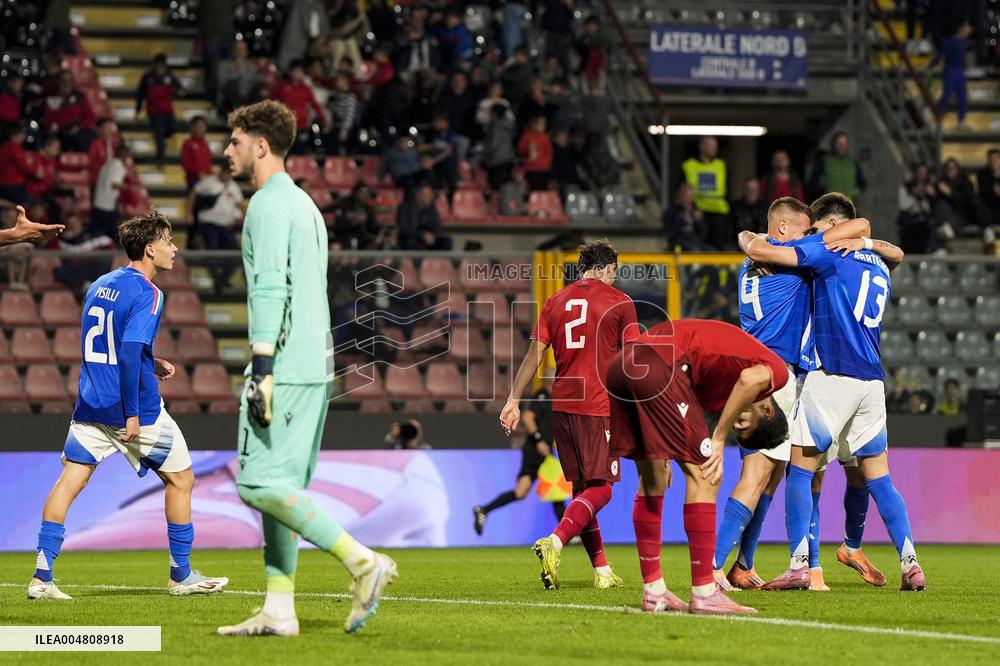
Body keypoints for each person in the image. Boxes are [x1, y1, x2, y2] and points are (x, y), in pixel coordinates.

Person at [219, 100, 396, 637]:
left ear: (261, 146)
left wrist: (263, 365)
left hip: (286, 363)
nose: (227, 150)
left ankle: (363, 562)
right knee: (281, 489)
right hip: (315, 363)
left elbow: (272, 288)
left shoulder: (268, 205)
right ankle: (279, 609)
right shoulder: (305, 206)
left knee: (254, 485)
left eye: (235, 141)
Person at [26, 210, 229, 601]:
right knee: (182, 480)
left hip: (90, 404)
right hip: (135, 410)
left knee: (70, 481)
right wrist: (133, 413)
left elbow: (110, 343)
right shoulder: (150, 293)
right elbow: (130, 348)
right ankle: (180, 575)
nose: (174, 249)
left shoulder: (101, 284)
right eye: (169, 242)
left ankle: (41, 577)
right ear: (150, 250)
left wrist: (153, 362)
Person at [740, 194, 925, 592]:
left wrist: (749, 240)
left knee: (800, 471)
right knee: (879, 478)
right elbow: (898, 251)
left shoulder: (826, 252)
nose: (812, 236)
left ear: (830, 227)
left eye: (815, 230)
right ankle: (910, 562)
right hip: (872, 381)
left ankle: (799, 565)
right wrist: (870, 240)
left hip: (831, 373)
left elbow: (763, 250)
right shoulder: (879, 264)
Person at [608, 319, 794, 615]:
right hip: (658, 363)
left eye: (736, 428)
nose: (734, 422)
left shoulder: (718, 387)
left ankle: (654, 591)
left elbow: (679, 399)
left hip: (623, 364)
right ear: (767, 409)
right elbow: (749, 380)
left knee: (652, 478)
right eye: (742, 422)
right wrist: (719, 437)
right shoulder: (777, 374)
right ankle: (705, 592)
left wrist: (665, 446)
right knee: (705, 475)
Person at [500, 240, 637, 591]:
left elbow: (534, 355)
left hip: (563, 404)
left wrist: (513, 399)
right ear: (607, 268)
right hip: (599, 404)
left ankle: (603, 571)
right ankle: (556, 541)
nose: (615, 279)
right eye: (615, 272)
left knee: (582, 489)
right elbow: (634, 359)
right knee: (603, 488)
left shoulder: (555, 301)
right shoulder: (620, 303)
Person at [474, 378, 566, 535]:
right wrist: (539, 440)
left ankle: (484, 509)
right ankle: (569, 534)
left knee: (521, 492)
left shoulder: (553, 398)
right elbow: (527, 417)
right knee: (556, 489)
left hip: (542, 452)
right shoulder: (543, 394)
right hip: (536, 451)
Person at [681, 136, 730, 249]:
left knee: (717, 248)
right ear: (702, 147)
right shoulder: (689, 165)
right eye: (711, 146)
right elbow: (682, 191)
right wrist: (692, 208)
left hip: (718, 213)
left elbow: (728, 189)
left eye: (715, 146)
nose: (714, 149)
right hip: (697, 212)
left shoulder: (721, 165)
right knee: (697, 246)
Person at [136, 54, 183, 166]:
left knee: (173, 129)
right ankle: (161, 157)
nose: (160, 69)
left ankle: (160, 141)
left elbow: (180, 88)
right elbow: (140, 94)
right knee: (159, 132)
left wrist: (177, 92)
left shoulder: (170, 76)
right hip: (154, 111)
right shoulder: (147, 77)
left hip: (167, 110)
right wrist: (138, 109)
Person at [187, 162, 243, 250]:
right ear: (221, 171)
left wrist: (239, 219)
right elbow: (193, 194)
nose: (227, 175)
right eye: (226, 172)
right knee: (212, 247)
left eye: (229, 173)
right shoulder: (208, 181)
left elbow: (239, 204)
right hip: (209, 223)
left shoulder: (234, 187)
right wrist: (189, 213)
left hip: (227, 225)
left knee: (231, 249)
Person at [42, 69, 95, 152]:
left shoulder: (80, 97)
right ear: (59, 81)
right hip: (59, 133)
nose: (67, 82)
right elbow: (47, 118)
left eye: (70, 80)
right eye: (64, 80)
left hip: (77, 132)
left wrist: (79, 127)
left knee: (83, 139)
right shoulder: (51, 97)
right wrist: (51, 128)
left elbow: (90, 117)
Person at [808, 132, 866, 201]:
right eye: (839, 142)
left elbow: (862, 183)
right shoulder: (825, 160)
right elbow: (813, 182)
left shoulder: (852, 162)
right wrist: (825, 194)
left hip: (848, 203)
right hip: (830, 203)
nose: (841, 145)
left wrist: (853, 193)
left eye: (844, 142)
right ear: (834, 144)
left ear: (847, 145)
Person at [934, 23, 971, 128]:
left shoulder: (964, 43)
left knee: (963, 96)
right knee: (947, 93)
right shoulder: (951, 41)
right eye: (967, 29)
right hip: (950, 70)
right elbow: (941, 54)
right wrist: (931, 66)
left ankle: (961, 120)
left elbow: (962, 59)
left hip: (959, 71)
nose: (968, 32)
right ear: (961, 30)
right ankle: (936, 114)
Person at [394, 183, 451, 250]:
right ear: (418, 195)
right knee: (411, 242)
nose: (431, 197)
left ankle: (444, 260)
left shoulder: (432, 209)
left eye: (431, 194)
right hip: (412, 238)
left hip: (429, 238)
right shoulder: (405, 207)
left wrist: (433, 235)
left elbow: (438, 226)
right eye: (427, 195)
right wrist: (422, 235)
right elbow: (404, 228)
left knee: (446, 241)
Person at [0, 125, 45, 206]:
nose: (23, 138)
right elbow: (24, 166)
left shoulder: (4, 146)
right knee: (26, 205)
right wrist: (36, 172)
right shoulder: (14, 148)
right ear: (14, 135)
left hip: (4, 183)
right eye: (21, 135)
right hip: (13, 184)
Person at [91, 144, 129, 239]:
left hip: (98, 201)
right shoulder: (119, 166)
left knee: (98, 229)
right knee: (108, 231)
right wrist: (125, 186)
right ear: (125, 156)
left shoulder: (108, 163)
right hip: (107, 205)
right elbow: (114, 184)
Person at [217, 39, 263, 114]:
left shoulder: (252, 67)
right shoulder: (223, 65)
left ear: (246, 52)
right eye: (237, 49)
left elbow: (257, 83)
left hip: (248, 101)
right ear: (233, 51)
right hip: (229, 102)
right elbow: (222, 84)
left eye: (242, 49)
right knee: (232, 85)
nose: (240, 52)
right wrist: (238, 71)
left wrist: (243, 72)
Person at [663, 183, 713, 252]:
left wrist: (699, 221)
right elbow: (670, 232)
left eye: (690, 196)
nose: (688, 199)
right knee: (695, 251)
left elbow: (704, 233)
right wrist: (681, 220)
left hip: (696, 241)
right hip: (679, 242)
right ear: (680, 196)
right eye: (686, 196)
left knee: (714, 253)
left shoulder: (696, 210)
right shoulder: (671, 211)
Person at [482, 103, 517, 190]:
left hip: (497, 160)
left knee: (497, 189)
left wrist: (482, 152)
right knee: (506, 186)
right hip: (508, 158)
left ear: (494, 113)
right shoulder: (509, 125)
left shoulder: (496, 127)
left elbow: (493, 144)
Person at [518, 115, 553, 191]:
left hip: (542, 169)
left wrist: (546, 164)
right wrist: (528, 149)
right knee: (533, 189)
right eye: (541, 123)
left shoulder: (545, 137)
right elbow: (520, 150)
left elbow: (549, 152)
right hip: (530, 169)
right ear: (533, 124)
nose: (543, 126)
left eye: (544, 124)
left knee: (542, 189)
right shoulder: (526, 136)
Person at [180, 116, 214, 190]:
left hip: (206, 180)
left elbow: (208, 162)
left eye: (202, 126)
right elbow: (185, 163)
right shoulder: (188, 143)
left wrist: (210, 174)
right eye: (198, 126)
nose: (200, 129)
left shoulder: (205, 144)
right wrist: (197, 173)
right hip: (193, 180)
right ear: (192, 127)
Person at [87, 118, 119, 190]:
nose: (109, 129)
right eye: (106, 127)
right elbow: (92, 164)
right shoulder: (95, 145)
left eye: (110, 127)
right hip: (99, 182)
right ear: (99, 129)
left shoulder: (114, 144)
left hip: (112, 182)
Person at [976, 148, 1000, 225]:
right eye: (991, 159)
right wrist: (993, 191)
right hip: (989, 207)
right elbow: (982, 194)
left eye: (995, 159)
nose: (993, 162)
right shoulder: (982, 175)